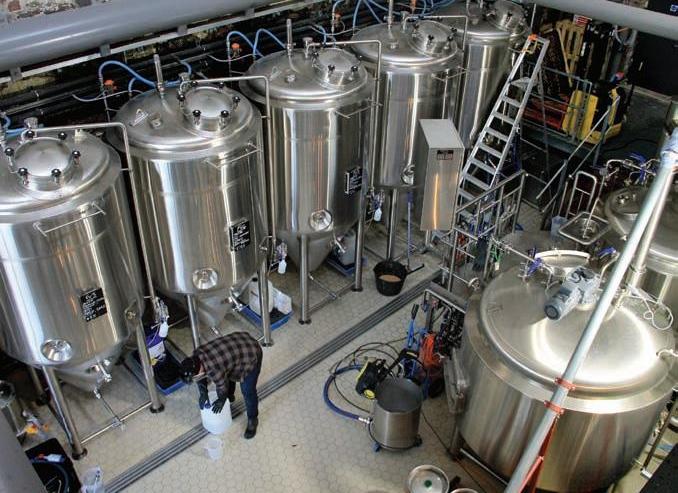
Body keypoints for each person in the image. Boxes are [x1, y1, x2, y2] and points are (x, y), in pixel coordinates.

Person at [181, 331, 262, 439]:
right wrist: (203, 392)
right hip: (237, 344)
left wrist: (221, 400)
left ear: (199, 370)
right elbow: (201, 375)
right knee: (229, 370)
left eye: (195, 377)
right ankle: (230, 396)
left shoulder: (214, 369)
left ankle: (253, 419)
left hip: (251, 353)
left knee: (248, 391)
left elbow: (222, 387)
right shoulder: (197, 354)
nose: (195, 379)